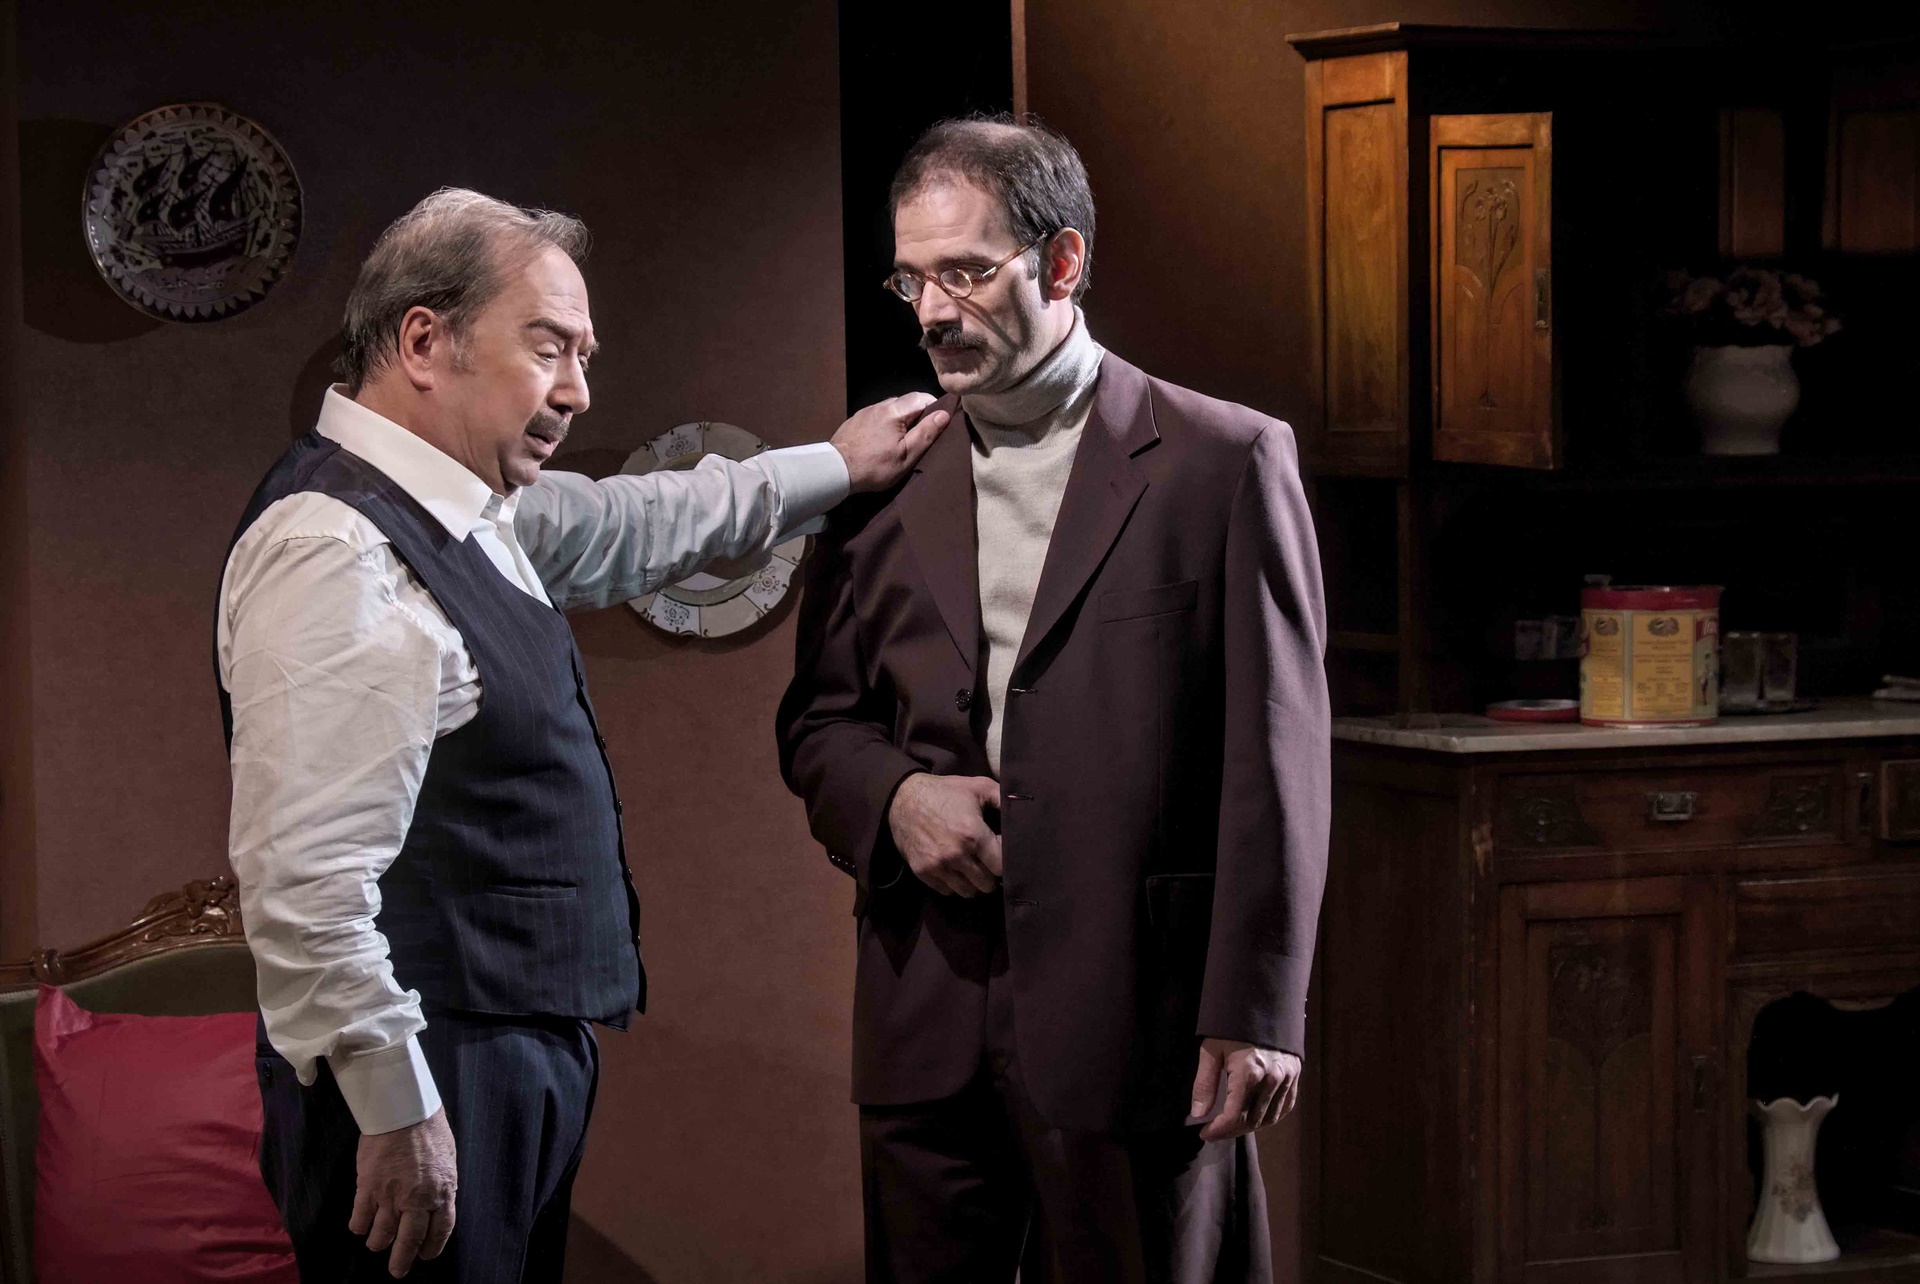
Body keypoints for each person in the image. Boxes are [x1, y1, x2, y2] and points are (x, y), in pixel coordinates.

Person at [218, 188, 947, 1282]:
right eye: (549, 346)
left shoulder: (468, 507)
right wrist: (397, 1105)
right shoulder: (339, 547)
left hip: (494, 1056)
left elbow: (634, 521)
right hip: (430, 1069)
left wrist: (836, 467)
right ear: (424, 342)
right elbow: (303, 881)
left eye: (584, 355)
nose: (577, 390)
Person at [776, 117, 1330, 1283]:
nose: (931, 313)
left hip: (1141, 1016)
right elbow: (818, 723)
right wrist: (898, 799)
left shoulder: (1222, 461)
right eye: (911, 280)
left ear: (1062, 262)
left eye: (966, 273)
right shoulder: (878, 478)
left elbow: (1275, 761)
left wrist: (1258, 1005)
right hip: (928, 1012)